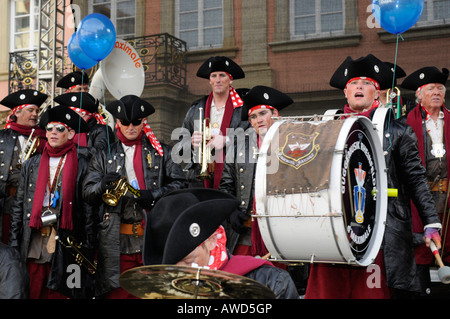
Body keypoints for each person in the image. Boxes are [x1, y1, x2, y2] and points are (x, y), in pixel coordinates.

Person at [305, 54, 442, 299]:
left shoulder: (398, 130)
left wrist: (431, 221)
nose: (359, 87)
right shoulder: (325, 126)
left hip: (380, 234)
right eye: (354, 83)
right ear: (345, 92)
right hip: (333, 234)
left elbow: (416, 180)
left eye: (366, 83)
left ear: (377, 92)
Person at [82, 94, 187, 298]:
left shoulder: (161, 151)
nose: (131, 127)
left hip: (153, 237)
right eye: (126, 122)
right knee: (118, 293)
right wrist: (102, 186)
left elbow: (181, 185)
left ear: (143, 122)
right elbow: (87, 192)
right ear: (118, 123)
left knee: (154, 293)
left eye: (136, 122)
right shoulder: (104, 154)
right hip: (116, 241)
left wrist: (154, 195)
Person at [142, 188, 300, 299]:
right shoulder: (160, 291)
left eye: (190, 261)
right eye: (172, 267)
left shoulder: (270, 283)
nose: (184, 273)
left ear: (211, 240)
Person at [8, 105, 95, 299]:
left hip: (67, 243)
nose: (53, 132)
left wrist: (89, 247)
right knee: (32, 292)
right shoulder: (32, 163)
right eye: (49, 128)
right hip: (35, 243)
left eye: (60, 128)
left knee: (62, 294)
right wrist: (14, 243)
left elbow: (89, 210)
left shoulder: (83, 163)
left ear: (71, 133)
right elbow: (19, 206)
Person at [219, 86, 293, 257]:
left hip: (281, 232)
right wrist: (231, 210)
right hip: (245, 234)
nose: (258, 120)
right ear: (250, 122)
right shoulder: (238, 145)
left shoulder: (291, 142)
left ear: (275, 114)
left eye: (263, 113)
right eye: (253, 116)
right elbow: (226, 185)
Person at [401, 66, 450, 296]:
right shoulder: (404, 125)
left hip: (447, 200)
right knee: (420, 251)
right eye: (431, 89)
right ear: (419, 95)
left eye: (440, 88)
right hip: (418, 203)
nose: (437, 92)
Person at [175, 56, 250, 189]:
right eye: (214, 76)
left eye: (222, 75)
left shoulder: (243, 108)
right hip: (199, 180)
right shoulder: (195, 109)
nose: (218, 80)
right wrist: (191, 143)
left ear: (231, 80)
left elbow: (252, 139)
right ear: (209, 80)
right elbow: (179, 149)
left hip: (233, 178)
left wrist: (227, 140)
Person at [0, 89, 48, 244]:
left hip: (32, 206)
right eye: (30, 110)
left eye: (37, 111)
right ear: (17, 113)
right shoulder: (3, 137)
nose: (35, 114)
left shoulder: (44, 138)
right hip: (6, 205)